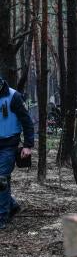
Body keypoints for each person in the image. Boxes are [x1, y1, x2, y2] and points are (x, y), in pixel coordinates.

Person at [0, 76, 34, 229]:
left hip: (9, 144)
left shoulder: (14, 96)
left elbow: (27, 121)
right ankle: (12, 205)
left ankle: (2, 216)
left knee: (1, 179)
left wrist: (28, 145)